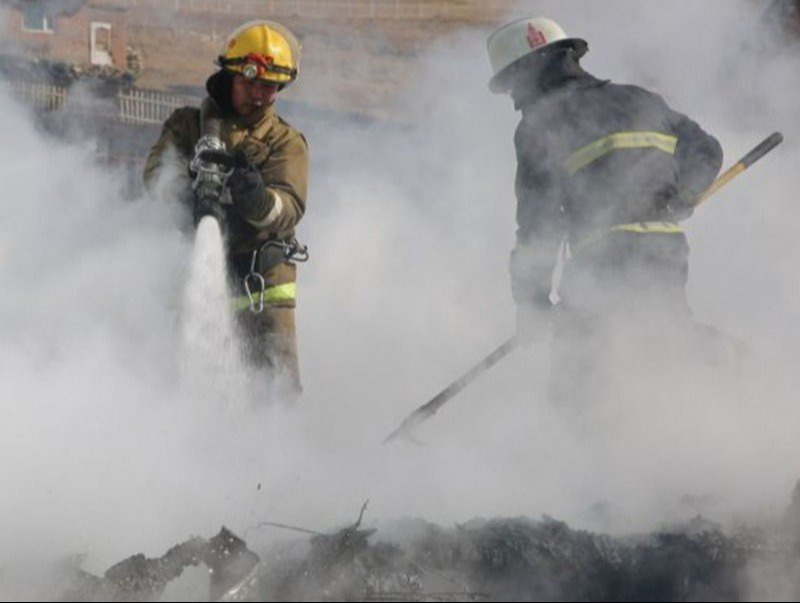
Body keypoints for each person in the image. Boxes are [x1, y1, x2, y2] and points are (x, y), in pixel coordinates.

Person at [486, 17, 725, 414]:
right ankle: (729, 373)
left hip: (603, 258)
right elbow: (707, 150)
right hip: (665, 248)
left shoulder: (538, 126)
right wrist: (683, 196)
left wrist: (531, 304)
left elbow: (537, 226)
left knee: (578, 381)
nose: (514, 98)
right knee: (664, 338)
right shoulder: (641, 99)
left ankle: (597, 461)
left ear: (528, 72)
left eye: (512, 84)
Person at [144, 20, 309, 398]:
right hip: (192, 271)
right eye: (250, 83)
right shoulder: (188, 126)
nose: (258, 94)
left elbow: (290, 207)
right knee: (182, 376)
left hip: (262, 286)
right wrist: (187, 195)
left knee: (273, 388)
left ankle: (278, 452)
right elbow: (155, 177)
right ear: (230, 75)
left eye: (269, 87)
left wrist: (259, 200)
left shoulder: (285, 142)